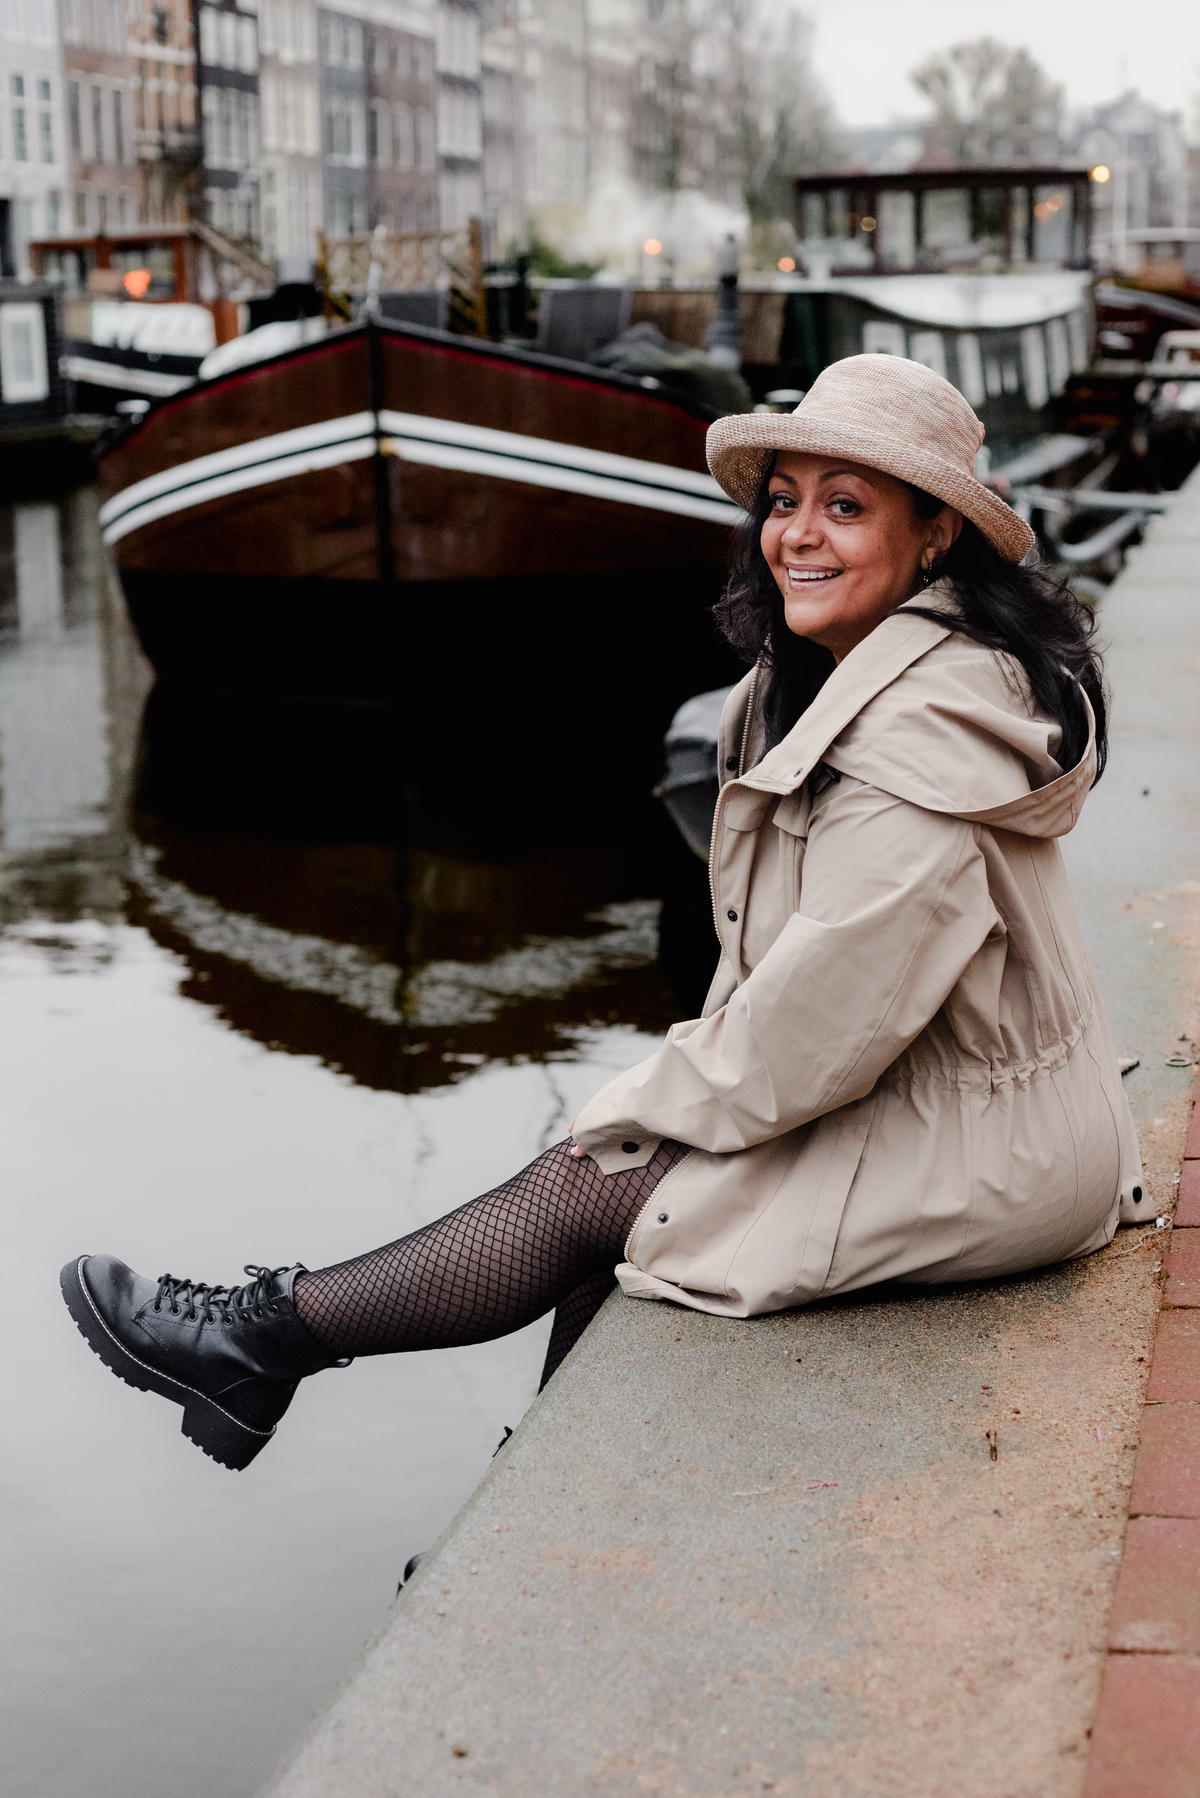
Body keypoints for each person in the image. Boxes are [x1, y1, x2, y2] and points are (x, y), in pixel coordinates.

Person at [61, 354, 1143, 1472]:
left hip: (994, 1154)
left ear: (935, 537)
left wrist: (625, 1116)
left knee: (598, 1184)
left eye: (846, 506)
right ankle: (452, 1446)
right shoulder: (872, 671)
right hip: (963, 1107)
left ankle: (262, 1337)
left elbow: (807, 1032)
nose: (797, 535)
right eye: (784, 501)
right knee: (616, 1208)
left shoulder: (918, 740)